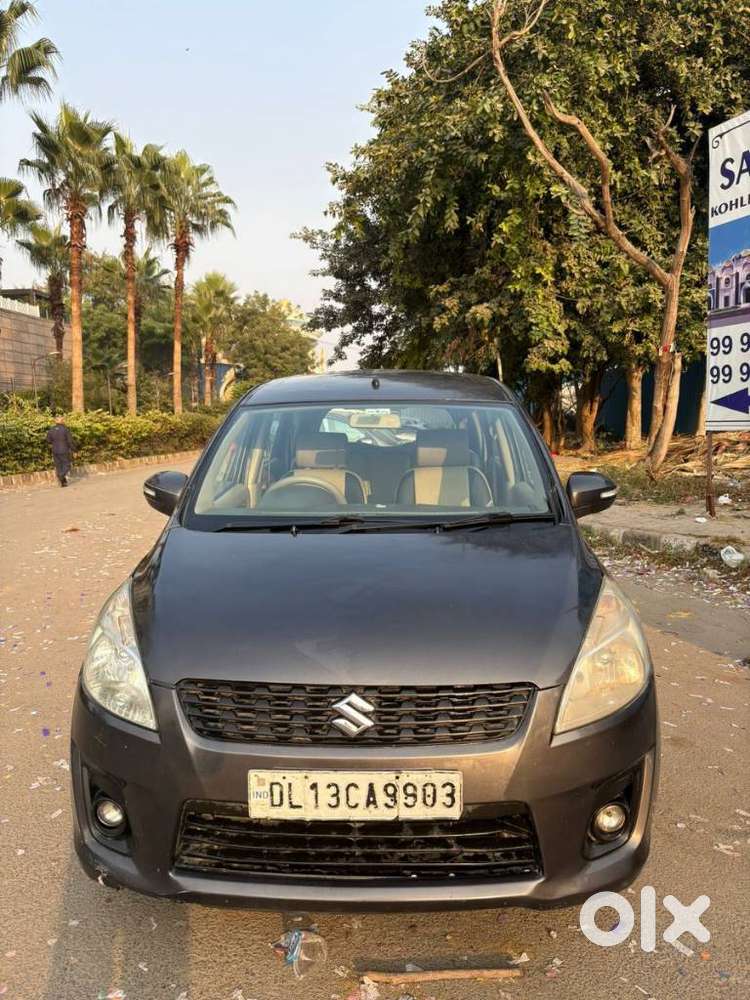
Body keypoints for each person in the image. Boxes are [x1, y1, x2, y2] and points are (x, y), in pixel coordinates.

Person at [46, 414, 75, 487]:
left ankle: (63, 483)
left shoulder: (51, 429)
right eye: (63, 420)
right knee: (67, 465)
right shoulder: (65, 429)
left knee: (59, 466)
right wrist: (74, 449)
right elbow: (70, 441)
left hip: (55, 450)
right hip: (64, 449)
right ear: (62, 421)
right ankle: (61, 476)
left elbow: (48, 440)